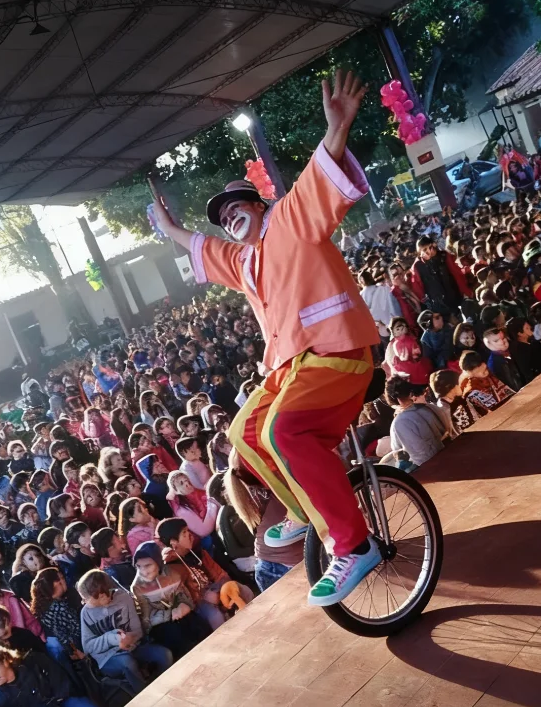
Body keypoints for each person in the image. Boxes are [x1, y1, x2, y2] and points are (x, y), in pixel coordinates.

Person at [151, 69, 385, 606]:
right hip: (293, 367)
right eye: (223, 217)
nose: (229, 218)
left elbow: (318, 176)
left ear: (259, 205)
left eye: (237, 207)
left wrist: (338, 127)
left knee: (283, 431)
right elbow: (201, 246)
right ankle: (303, 511)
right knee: (245, 433)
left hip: (337, 353)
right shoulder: (243, 261)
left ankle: (354, 544)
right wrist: (169, 229)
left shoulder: (291, 220)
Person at [78, 569, 173, 693]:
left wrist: (130, 639)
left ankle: (167, 688)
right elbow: (87, 647)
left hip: (134, 648)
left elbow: (137, 630)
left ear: (102, 596)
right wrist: (113, 639)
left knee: (165, 655)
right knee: (127, 662)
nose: (83, 603)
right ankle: (146, 696)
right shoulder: (86, 613)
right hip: (108, 658)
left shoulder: (123, 598)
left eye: (85, 599)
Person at [386, 377, 450, 468]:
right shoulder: (431, 407)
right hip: (450, 453)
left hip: (432, 467)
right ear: (411, 393)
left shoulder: (400, 422)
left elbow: (421, 457)